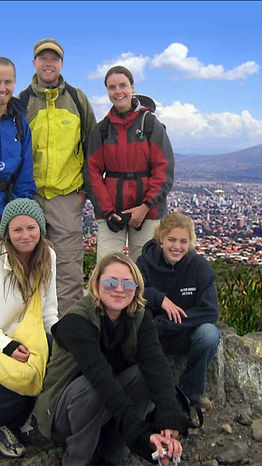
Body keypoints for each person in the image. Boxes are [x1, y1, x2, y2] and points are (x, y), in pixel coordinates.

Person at [34, 252, 191, 466]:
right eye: (110, 282)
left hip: (108, 407)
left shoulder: (140, 317)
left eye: (127, 284)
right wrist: (140, 434)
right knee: (90, 386)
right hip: (64, 412)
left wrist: (168, 420)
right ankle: (78, 459)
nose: (119, 289)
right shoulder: (76, 321)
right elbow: (101, 378)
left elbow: (156, 365)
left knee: (143, 374)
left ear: (136, 289)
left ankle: (113, 453)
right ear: (96, 284)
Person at [19, 38, 96, 315]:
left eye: (54, 58)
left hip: (67, 197)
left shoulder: (77, 99)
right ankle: (31, 328)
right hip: (31, 195)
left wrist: (84, 191)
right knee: (27, 262)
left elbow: (93, 146)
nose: (48, 63)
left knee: (68, 267)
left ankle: (68, 333)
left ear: (61, 64)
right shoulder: (23, 102)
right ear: (34, 63)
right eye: (43, 58)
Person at [86, 65, 174, 263]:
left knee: (145, 267)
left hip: (148, 210)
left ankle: (141, 296)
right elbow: (92, 172)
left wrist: (145, 206)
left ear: (132, 87)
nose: (118, 92)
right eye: (112, 87)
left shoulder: (150, 125)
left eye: (122, 85)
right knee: (106, 265)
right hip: (111, 210)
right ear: (107, 91)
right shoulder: (102, 130)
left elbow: (164, 170)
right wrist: (108, 212)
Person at [136, 211, 221, 409]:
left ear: (190, 242)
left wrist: (170, 322)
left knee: (209, 335)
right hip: (154, 332)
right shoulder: (145, 262)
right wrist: (159, 299)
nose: (177, 247)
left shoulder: (200, 268)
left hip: (184, 331)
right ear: (161, 238)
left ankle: (190, 391)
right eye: (171, 239)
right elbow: (135, 292)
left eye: (183, 241)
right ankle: (143, 390)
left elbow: (210, 311)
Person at [0, 197, 58, 458]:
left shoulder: (48, 256)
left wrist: (59, 342)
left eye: (31, 227)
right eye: (17, 229)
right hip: (4, 341)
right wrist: (7, 346)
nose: (25, 235)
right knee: (20, 375)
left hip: (28, 337)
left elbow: (48, 310)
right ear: (7, 234)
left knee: (51, 357)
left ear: (41, 228)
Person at [0, 57, 35, 216]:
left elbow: (25, 174)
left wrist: (17, 210)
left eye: (7, 82)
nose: (2, 88)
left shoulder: (19, 122)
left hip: (8, 206)